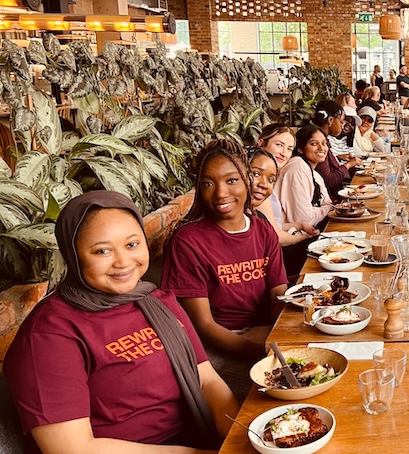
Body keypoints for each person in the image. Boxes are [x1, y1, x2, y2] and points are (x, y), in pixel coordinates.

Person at [5, 191, 238, 453]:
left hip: (195, 440)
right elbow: (72, 448)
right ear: (74, 256)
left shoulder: (157, 301)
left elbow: (206, 380)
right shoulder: (49, 334)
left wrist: (240, 437)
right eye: (102, 251)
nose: (123, 262)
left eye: (132, 244)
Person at [161, 140, 289, 399]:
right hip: (218, 345)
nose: (220, 193)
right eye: (208, 184)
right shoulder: (187, 241)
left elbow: (278, 292)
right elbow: (204, 325)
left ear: (246, 181)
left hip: (263, 333)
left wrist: (281, 337)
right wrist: (263, 353)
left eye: (231, 181)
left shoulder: (263, 230)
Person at [275, 125, 335, 275]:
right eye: (314, 143)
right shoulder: (297, 167)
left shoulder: (312, 171)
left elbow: (328, 203)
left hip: (303, 237)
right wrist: (327, 208)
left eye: (324, 143)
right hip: (288, 246)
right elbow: (304, 218)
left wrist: (327, 207)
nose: (321, 148)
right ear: (300, 148)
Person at [255, 124, 319, 247]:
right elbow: (275, 236)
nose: (284, 153)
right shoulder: (258, 184)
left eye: (289, 149)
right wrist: (301, 238)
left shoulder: (269, 178)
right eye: (279, 145)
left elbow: (272, 225)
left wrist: (300, 225)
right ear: (261, 143)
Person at [310, 101, 360, 197]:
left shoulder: (325, 140)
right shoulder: (319, 143)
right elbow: (329, 180)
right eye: (341, 121)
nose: (342, 126)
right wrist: (348, 165)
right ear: (330, 120)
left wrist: (339, 158)